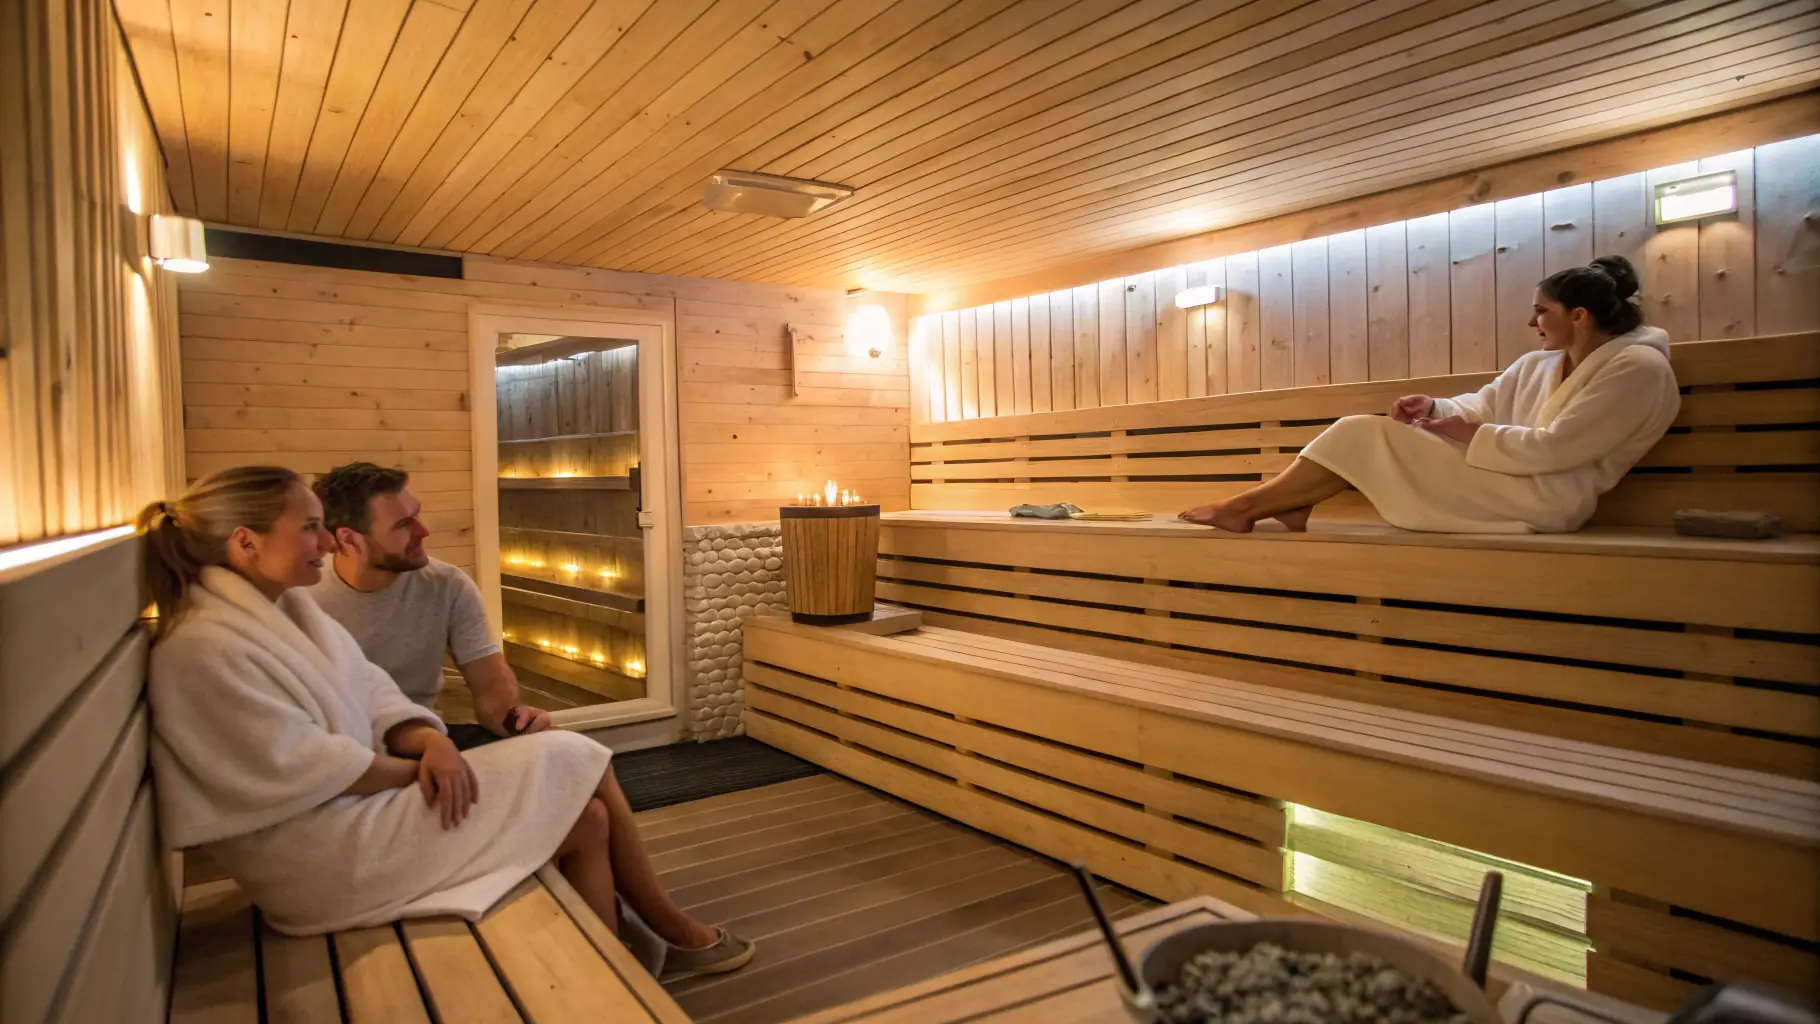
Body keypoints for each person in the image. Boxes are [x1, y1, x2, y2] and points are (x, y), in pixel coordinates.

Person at [137, 466, 754, 981]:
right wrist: (421, 770)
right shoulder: (209, 648)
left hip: (377, 781)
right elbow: (301, 766)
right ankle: (665, 931)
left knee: (584, 809)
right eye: (308, 528)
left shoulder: (287, 608)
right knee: (573, 758)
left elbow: (374, 688)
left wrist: (437, 739)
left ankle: (609, 974)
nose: (321, 542)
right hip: (321, 854)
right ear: (247, 543)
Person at [1179, 255, 1679, 534]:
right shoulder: (1540, 364)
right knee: (1361, 431)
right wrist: (1436, 409)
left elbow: (1558, 448)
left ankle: (1249, 507)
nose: (1533, 322)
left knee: (1360, 433)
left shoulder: (1637, 369)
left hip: (1545, 498)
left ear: (1579, 316)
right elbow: (1484, 404)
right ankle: (1283, 503)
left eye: (1541, 311)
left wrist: (1470, 434)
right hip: (1503, 475)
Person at [308, 462, 541, 750]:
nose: (423, 530)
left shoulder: (447, 584)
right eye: (403, 524)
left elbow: (490, 682)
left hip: (427, 738)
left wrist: (517, 721)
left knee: (564, 754)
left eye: (416, 515)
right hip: (338, 746)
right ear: (350, 539)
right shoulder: (302, 595)